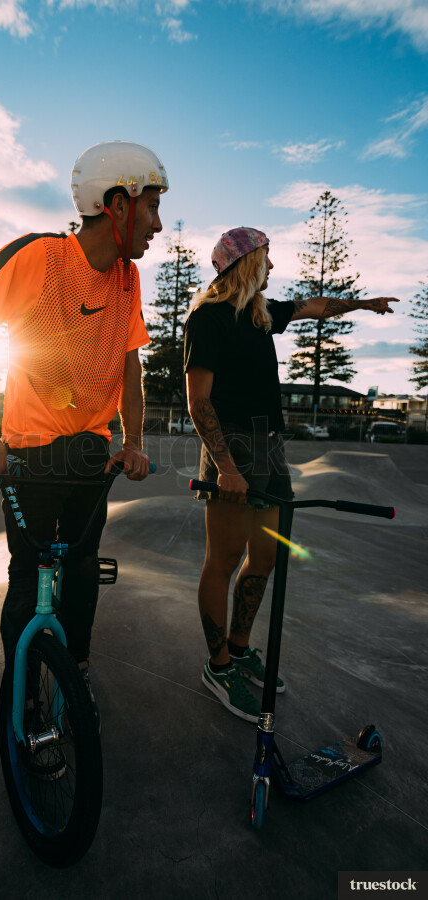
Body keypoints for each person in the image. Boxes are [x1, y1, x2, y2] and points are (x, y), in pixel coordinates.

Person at [0, 141, 168, 720]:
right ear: (116, 203)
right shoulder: (41, 257)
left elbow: (130, 363)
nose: (158, 224)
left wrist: (132, 443)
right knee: (26, 575)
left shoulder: (128, 279)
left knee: (83, 570)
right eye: (152, 206)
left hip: (90, 455)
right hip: (29, 458)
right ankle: (24, 694)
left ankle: (75, 670)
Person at [184, 226, 398, 723]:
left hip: (271, 447)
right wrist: (226, 467)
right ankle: (217, 667)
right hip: (231, 445)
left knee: (267, 556)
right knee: (224, 559)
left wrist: (362, 304)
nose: (273, 268)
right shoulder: (209, 318)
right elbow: (198, 402)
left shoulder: (260, 316)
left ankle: (238, 649)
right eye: (267, 258)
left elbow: (314, 307)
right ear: (246, 263)